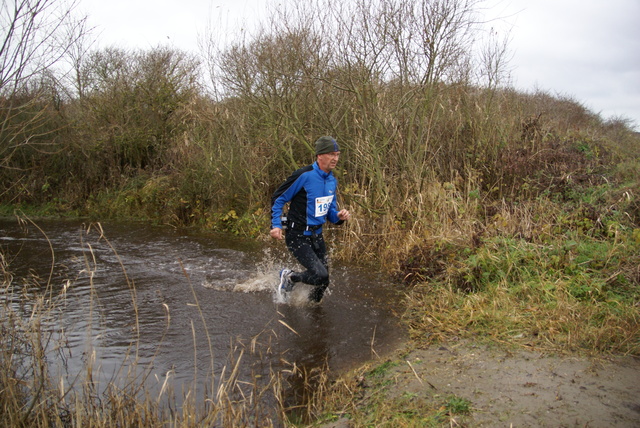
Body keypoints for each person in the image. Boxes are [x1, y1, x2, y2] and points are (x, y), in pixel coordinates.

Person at [270, 136, 351, 302]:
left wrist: (339, 216)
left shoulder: (331, 181)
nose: (335, 158)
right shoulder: (304, 175)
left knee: (323, 281)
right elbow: (278, 198)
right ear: (320, 155)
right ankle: (290, 277)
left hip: (316, 236)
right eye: (331, 154)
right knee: (320, 274)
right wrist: (276, 225)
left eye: (337, 154)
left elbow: (330, 213)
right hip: (297, 234)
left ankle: (312, 310)